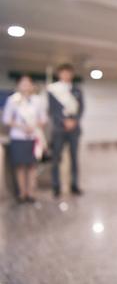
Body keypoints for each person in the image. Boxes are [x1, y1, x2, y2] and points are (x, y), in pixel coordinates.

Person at [2, 75, 47, 203]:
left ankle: (31, 193)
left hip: (33, 137)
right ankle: (22, 193)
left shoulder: (38, 101)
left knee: (32, 166)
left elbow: (43, 119)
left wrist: (34, 126)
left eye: (28, 83)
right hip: (18, 136)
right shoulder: (13, 100)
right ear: (18, 85)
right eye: (23, 83)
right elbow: (6, 119)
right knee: (20, 166)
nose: (26, 85)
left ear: (33, 86)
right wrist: (21, 126)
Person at [47, 64, 84, 198]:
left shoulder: (77, 90)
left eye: (69, 72)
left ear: (72, 74)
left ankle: (74, 185)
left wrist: (74, 120)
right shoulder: (53, 90)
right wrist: (64, 121)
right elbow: (52, 110)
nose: (66, 75)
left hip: (74, 129)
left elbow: (81, 109)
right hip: (59, 129)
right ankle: (56, 186)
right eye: (63, 72)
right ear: (59, 74)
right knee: (56, 158)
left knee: (74, 158)